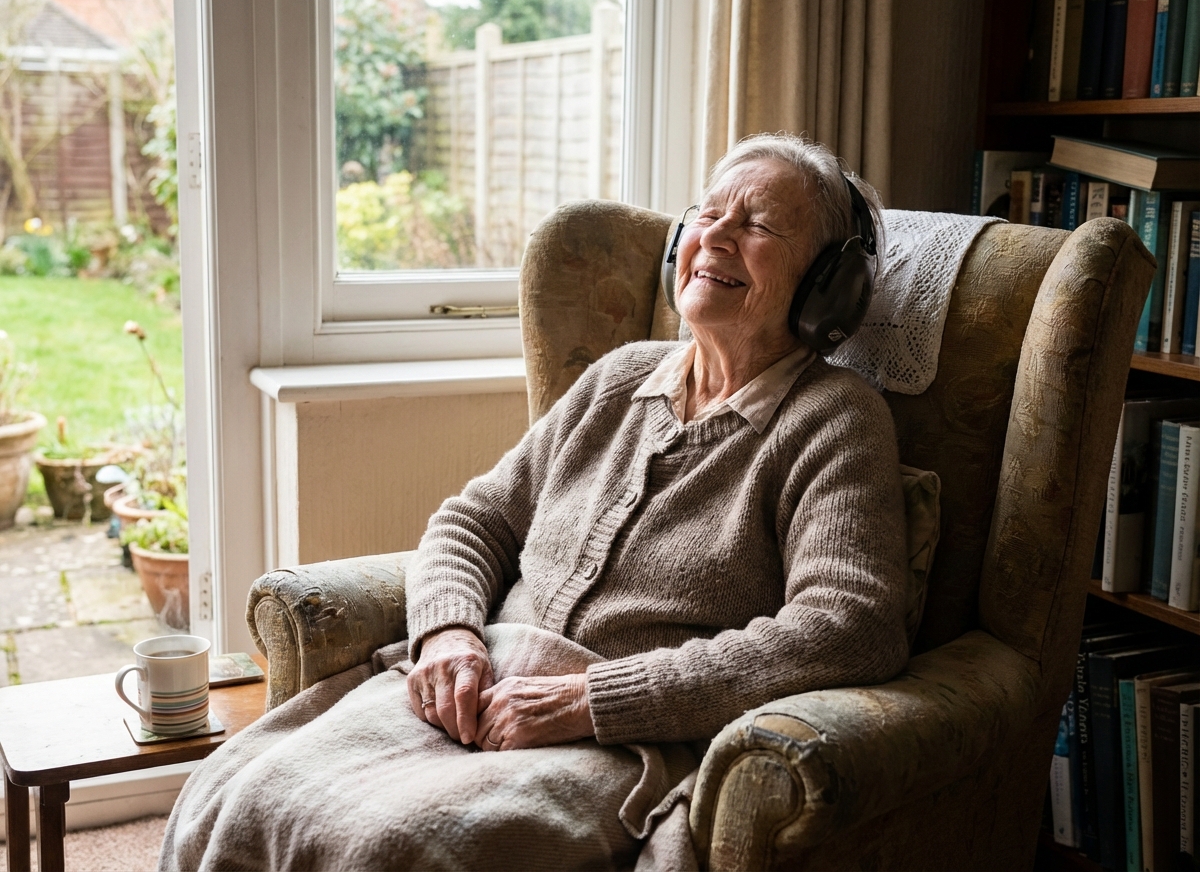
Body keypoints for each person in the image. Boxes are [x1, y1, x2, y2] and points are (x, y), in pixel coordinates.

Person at [160, 134, 910, 872]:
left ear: (824, 286)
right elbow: (474, 520)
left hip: (621, 737)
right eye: (707, 215)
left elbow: (848, 628)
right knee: (238, 792)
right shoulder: (619, 378)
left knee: (395, 848)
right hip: (476, 685)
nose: (714, 236)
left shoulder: (833, 418)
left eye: (755, 225)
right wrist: (449, 636)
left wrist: (593, 700)